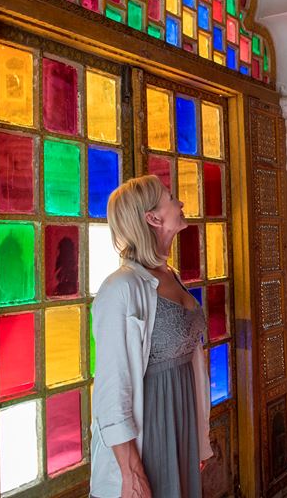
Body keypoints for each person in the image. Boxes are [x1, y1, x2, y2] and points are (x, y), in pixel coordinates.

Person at [90, 175, 212, 498]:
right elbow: (111, 388)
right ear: (153, 218)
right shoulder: (120, 288)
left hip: (182, 422)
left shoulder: (170, 275)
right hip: (150, 432)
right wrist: (130, 470)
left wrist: (197, 437)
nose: (180, 202)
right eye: (171, 198)